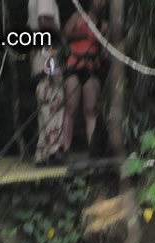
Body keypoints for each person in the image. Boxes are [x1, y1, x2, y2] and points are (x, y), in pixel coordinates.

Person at [62, 0, 107, 154]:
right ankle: (64, 149)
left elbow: (104, 51)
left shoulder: (104, 25)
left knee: (91, 110)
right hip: (74, 66)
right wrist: (82, 33)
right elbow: (65, 33)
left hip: (91, 69)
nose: (101, 3)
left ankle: (92, 149)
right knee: (70, 108)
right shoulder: (78, 16)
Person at [28, 0, 68, 167]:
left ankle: (42, 152)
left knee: (44, 105)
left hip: (40, 54)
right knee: (53, 100)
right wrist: (62, 36)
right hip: (47, 51)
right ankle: (54, 150)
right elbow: (44, 20)